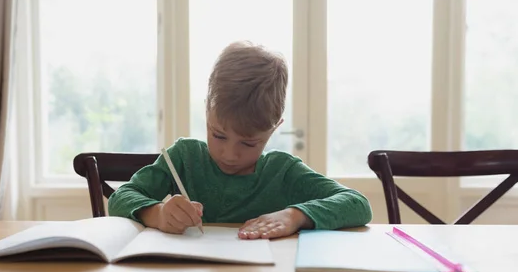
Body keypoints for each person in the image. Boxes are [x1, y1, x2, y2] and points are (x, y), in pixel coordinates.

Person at [108, 40, 372, 239]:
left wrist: (296, 215)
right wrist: (157, 214)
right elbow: (121, 197)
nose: (229, 154)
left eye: (248, 143)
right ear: (206, 112)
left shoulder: (283, 172)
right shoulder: (183, 157)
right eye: (218, 135)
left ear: (273, 128)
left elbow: (358, 204)